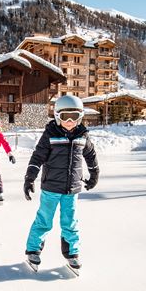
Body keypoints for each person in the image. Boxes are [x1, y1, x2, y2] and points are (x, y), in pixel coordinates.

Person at [22, 95, 99, 272]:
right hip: (51, 188)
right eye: (65, 117)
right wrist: (29, 178)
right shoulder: (50, 134)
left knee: (70, 222)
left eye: (74, 116)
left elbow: (91, 155)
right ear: (57, 116)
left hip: (72, 189)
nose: (70, 121)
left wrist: (94, 173)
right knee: (44, 220)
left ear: (80, 116)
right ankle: (33, 250)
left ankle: (72, 254)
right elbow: (37, 157)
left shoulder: (83, 136)